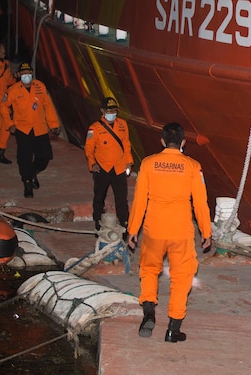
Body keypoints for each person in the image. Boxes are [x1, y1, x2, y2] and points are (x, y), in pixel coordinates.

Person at [126, 122, 212, 343]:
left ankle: (148, 312)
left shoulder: (148, 163)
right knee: (182, 276)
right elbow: (201, 204)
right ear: (183, 142)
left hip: (154, 229)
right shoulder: (193, 166)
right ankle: (173, 328)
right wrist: (206, 232)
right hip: (181, 231)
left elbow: (139, 201)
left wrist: (132, 230)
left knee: (148, 270)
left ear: (162, 141)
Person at [2, 62, 61, 198]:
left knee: (45, 156)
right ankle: (27, 183)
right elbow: (3, 107)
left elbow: (48, 106)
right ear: (19, 75)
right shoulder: (13, 90)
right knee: (24, 158)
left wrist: (54, 124)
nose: (26, 76)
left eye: (28, 73)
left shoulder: (40, 87)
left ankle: (33, 172)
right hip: (23, 129)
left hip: (40, 128)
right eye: (23, 73)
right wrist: (9, 124)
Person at [85, 97, 133, 230]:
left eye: (114, 111)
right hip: (102, 168)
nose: (112, 113)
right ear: (102, 111)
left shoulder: (122, 125)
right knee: (99, 197)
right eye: (109, 111)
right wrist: (92, 163)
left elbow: (126, 144)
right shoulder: (94, 128)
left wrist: (129, 161)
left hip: (119, 167)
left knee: (122, 199)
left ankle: (125, 224)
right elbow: (89, 149)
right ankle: (98, 223)